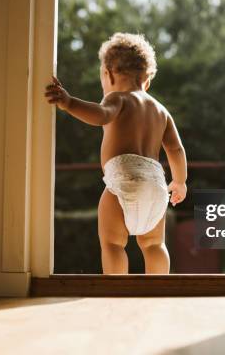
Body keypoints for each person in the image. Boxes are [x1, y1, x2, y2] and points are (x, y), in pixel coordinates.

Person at [44, 32, 187, 274]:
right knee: (154, 244)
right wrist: (180, 181)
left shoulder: (118, 99)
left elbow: (101, 115)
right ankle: (160, 290)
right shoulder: (161, 111)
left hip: (124, 180)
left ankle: (118, 292)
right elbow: (176, 148)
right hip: (156, 186)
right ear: (147, 81)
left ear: (108, 74)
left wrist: (69, 103)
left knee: (112, 244)